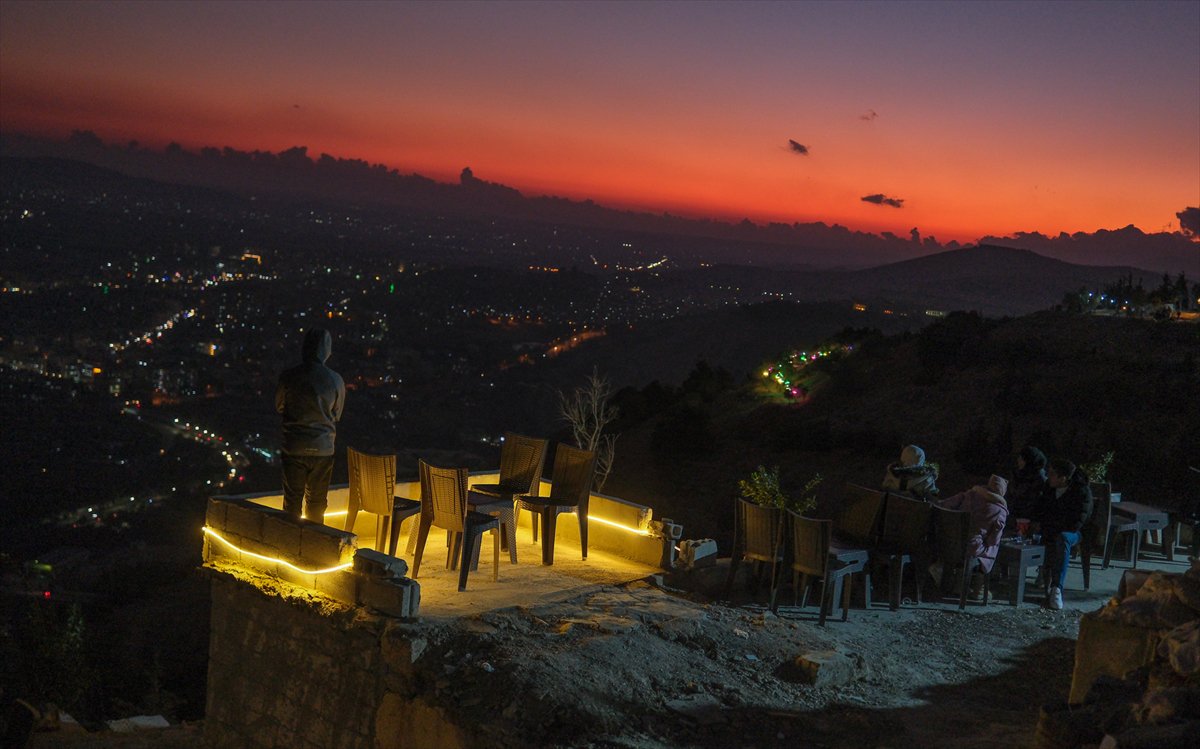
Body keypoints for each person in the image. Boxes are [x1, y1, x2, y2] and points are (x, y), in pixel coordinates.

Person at [276, 328, 345, 525]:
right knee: (316, 502)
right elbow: (337, 414)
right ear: (327, 350)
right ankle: (315, 546)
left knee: (292, 501)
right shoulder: (335, 380)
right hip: (323, 449)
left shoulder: (288, 377)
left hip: (293, 446)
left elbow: (279, 406)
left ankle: (289, 545)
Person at [933, 474, 1009, 599]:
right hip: (971, 548)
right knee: (993, 547)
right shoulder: (999, 511)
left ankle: (958, 584)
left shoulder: (969, 495)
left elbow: (944, 505)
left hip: (949, 542)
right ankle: (979, 588)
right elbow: (992, 540)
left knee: (975, 545)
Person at [1034, 458, 1093, 610]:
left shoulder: (1081, 491)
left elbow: (1076, 522)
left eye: (1052, 474)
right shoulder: (1049, 488)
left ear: (1063, 478)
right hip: (1052, 529)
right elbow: (1040, 509)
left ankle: (1056, 588)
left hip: (1075, 532)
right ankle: (1038, 574)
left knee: (1063, 539)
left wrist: (1052, 526)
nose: (1048, 476)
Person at [1008, 445, 1048, 521]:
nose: (1018, 460)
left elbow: (1034, 501)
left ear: (1029, 461)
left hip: (1028, 518)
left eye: (1022, 459)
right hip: (1014, 514)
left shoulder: (1039, 479)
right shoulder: (1018, 473)